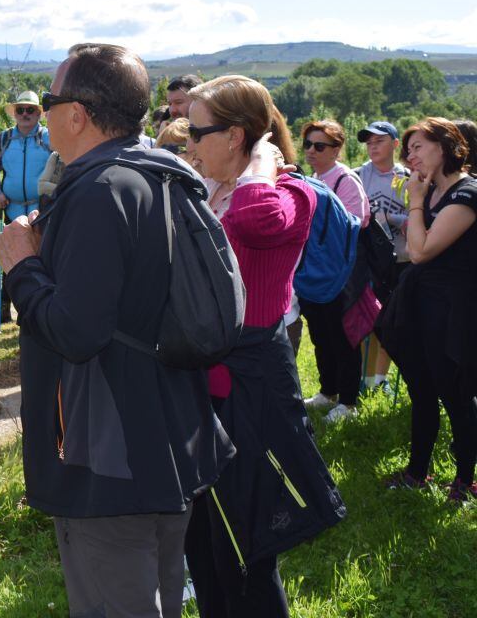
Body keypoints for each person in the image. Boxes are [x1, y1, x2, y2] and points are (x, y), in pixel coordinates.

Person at [0, 43, 233, 618]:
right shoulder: (159, 175)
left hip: (108, 461)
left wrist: (20, 264)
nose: (43, 111)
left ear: (75, 114)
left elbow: (76, 332)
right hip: (167, 437)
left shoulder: (98, 192)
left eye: (48, 100)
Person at [184, 75, 344, 617]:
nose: (188, 145)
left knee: (249, 542)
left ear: (234, 136)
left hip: (250, 385)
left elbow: (258, 220)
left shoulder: (291, 191)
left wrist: (260, 167)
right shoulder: (206, 188)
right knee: (203, 538)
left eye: (197, 133)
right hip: (201, 380)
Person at [377, 119, 477, 503]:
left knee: (455, 394)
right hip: (421, 305)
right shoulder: (433, 190)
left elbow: (419, 251)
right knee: (421, 390)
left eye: (418, 147)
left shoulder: (467, 194)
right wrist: (420, 202)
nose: (410, 156)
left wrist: (415, 202)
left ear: (446, 146)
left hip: (452, 312)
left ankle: (465, 480)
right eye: (409, 149)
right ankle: (418, 472)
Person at [300, 119, 371, 423]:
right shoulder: (311, 178)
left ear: (337, 149)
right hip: (314, 273)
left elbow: (359, 222)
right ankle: (327, 391)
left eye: (319, 146)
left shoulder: (344, 180)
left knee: (342, 337)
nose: (311, 151)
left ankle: (349, 401)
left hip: (339, 276)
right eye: (307, 145)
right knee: (320, 335)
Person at [0, 90, 51, 325]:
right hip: (11, 209)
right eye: (20, 110)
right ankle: (2, 309)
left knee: (41, 259)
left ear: (39, 113)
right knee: (8, 260)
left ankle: (34, 309)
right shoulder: (3, 139)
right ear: (14, 113)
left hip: (41, 212)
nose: (25, 114)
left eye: (30, 109)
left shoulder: (49, 138)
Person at [356, 121, 409, 391]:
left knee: (392, 321)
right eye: (369, 142)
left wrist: (388, 217)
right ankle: (365, 380)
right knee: (368, 320)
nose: (373, 146)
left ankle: (380, 379)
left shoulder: (408, 178)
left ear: (395, 144)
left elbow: (418, 218)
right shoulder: (357, 176)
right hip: (367, 262)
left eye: (379, 141)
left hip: (400, 261)